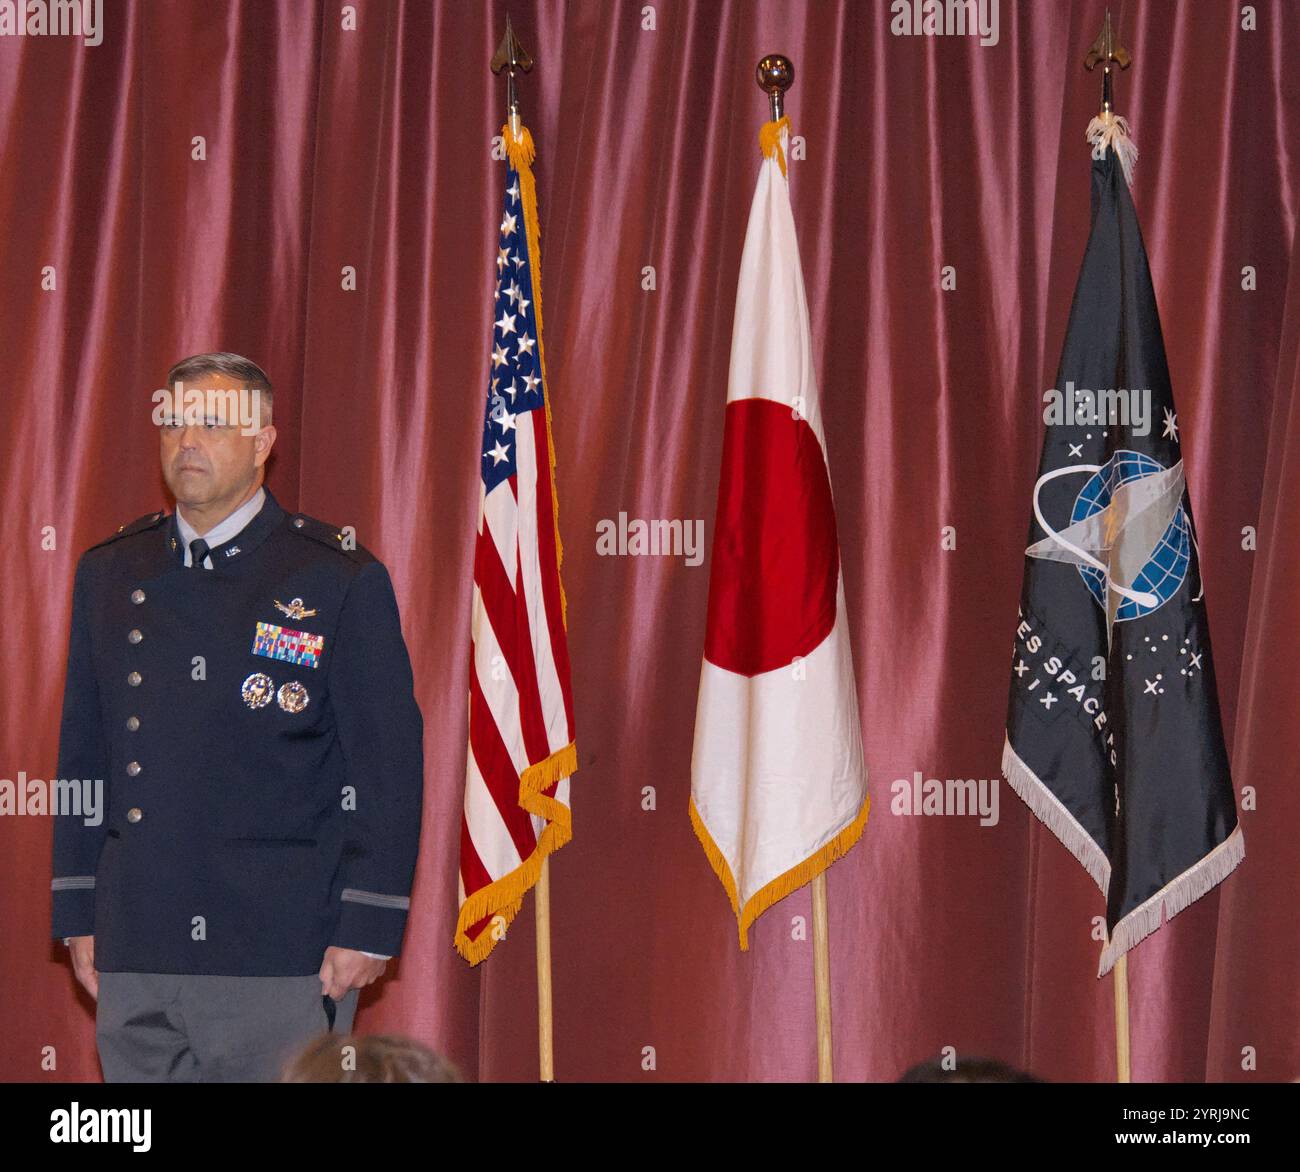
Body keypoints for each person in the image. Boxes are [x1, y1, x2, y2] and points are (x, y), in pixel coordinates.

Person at [50, 352, 425, 1082]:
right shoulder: (110, 572)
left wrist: (369, 925)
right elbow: (82, 756)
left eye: (215, 424)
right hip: (139, 943)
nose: (188, 440)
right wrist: (79, 908)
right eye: (175, 421)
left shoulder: (333, 576)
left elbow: (387, 769)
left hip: (281, 952)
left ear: (264, 444)